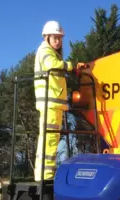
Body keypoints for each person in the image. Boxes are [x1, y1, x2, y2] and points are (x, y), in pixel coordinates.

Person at [33, 20, 87, 182]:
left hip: (54, 104)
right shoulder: (45, 51)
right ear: (46, 37)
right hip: (50, 103)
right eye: (55, 38)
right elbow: (52, 65)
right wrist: (70, 66)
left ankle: (44, 174)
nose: (58, 41)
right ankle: (46, 176)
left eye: (60, 38)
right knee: (49, 139)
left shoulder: (51, 52)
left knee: (51, 138)